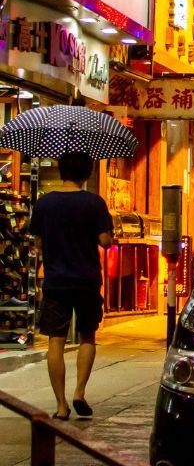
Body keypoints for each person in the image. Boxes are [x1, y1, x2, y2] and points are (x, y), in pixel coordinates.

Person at [30, 153, 113, 421]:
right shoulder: (94, 203)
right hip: (87, 279)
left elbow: (37, 244)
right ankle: (79, 392)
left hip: (55, 280)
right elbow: (104, 241)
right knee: (88, 335)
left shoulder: (44, 204)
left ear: (61, 171)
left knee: (56, 340)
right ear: (86, 174)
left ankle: (61, 405)